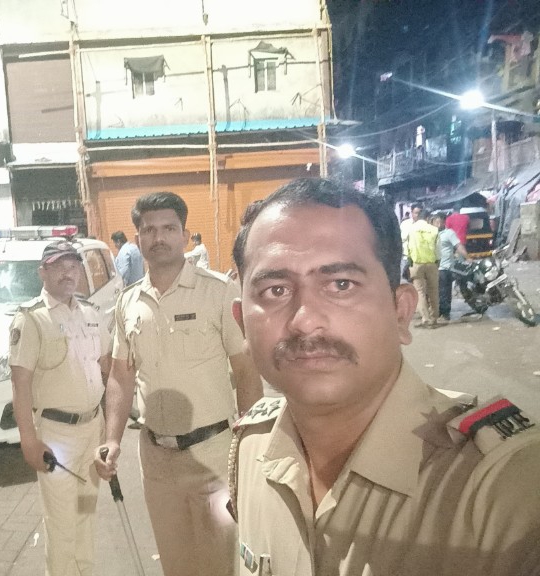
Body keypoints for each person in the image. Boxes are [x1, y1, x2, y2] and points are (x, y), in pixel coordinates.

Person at [228, 177, 540, 576]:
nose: (304, 320)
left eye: (341, 285)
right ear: (242, 323)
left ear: (401, 311)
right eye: (275, 290)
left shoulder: (501, 487)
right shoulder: (250, 451)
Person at [95, 192, 262, 576]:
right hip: (156, 460)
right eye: (149, 230)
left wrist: (251, 446)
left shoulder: (219, 292)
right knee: (176, 563)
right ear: (138, 239)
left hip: (214, 455)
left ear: (185, 236)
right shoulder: (128, 302)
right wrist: (112, 439)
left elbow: (246, 371)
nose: (159, 237)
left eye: (169, 228)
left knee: (220, 561)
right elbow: (121, 375)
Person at [9, 240, 112, 576]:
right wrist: (29, 440)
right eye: (59, 267)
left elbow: (107, 369)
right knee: (62, 524)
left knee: (85, 515)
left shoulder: (91, 314)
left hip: (92, 431)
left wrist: (110, 433)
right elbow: (20, 383)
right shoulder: (32, 320)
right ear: (43, 272)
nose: (68, 273)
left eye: (73, 266)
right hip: (57, 438)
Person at [432, 212, 467, 323]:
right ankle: (436, 312)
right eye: (436, 222)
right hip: (433, 268)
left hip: (446, 268)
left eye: (440, 222)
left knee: (444, 292)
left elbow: (458, 246)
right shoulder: (431, 233)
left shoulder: (449, 233)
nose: (438, 224)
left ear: (444, 222)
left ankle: (445, 313)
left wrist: (467, 257)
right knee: (436, 292)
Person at [408, 208, 440, 327]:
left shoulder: (411, 229)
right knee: (433, 291)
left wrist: (410, 260)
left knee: (420, 291)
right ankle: (434, 317)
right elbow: (438, 249)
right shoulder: (434, 230)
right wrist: (437, 261)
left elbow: (408, 247)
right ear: (428, 218)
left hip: (416, 263)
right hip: (432, 263)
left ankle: (425, 318)